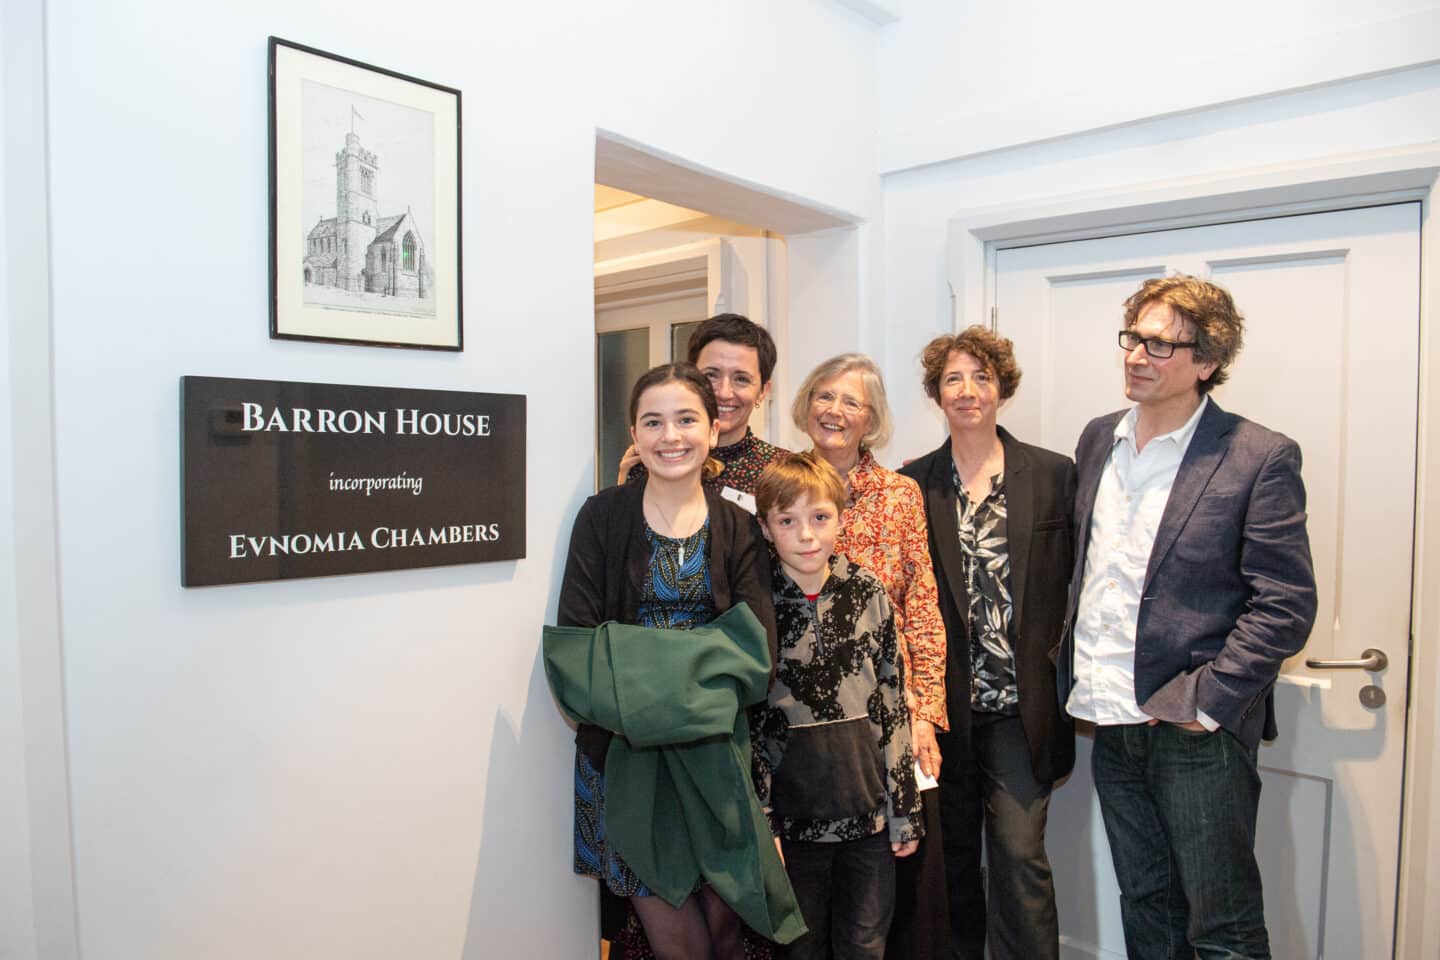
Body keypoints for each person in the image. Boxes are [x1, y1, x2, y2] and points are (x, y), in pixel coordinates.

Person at [1057, 275, 1317, 959]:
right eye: (1133, 338)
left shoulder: (1257, 455)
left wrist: (1205, 703)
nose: (1137, 355)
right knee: (1147, 905)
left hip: (1194, 731)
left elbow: (1286, 602)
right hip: (1110, 716)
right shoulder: (1097, 441)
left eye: (1161, 344)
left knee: (1222, 925)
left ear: (1206, 362)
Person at [556, 362, 795, 960]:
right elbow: (580, 651)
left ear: (713, 431)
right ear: (634, 435)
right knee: (677, 943)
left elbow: (754, 657)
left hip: (716, 758)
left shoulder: (738, 526)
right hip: (623, 757)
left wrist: (637, 665)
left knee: (724, 930)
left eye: (687, 419)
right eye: (653, 422)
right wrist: (700, 661)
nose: (671, 436)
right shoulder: (601, 517)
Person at [899, 329, 1075, 960]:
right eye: (952, 379)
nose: (967, 391)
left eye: (981, 377)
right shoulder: (912, 485)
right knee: (949, 865)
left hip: (1020, 710)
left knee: (1019, 857)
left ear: (1003, 388)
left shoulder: (1054, 475)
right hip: (941, 711)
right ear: (935, 394)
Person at [791, 353, 949, 960]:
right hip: (799, 723)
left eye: (852, 401)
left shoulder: (899, 494)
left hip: (887, 715)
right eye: (825, 395)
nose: (835, 410)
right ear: (806, 403)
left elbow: (923, 607)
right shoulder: (778, 485)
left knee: (885, 894)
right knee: (808, 899)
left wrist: (927, 712)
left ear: (872, 418)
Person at [752, 451, 923, 960]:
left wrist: (905, 809)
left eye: (820, 517)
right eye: (788, 521)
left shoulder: (868, 591)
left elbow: (893, 700)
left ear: (842, 520)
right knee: (799, 947)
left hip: (866, 819)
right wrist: (763, 821)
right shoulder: (757, 600)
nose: (806, 535)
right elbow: (751, 721)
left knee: (865, 943)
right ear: (766, 529)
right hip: (792, 821)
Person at [619, 313, 785, 509]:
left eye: (741, 379)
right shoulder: (653, 458)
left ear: (763, 391)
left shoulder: (782, 472)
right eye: (711, 375)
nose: (724, 392)